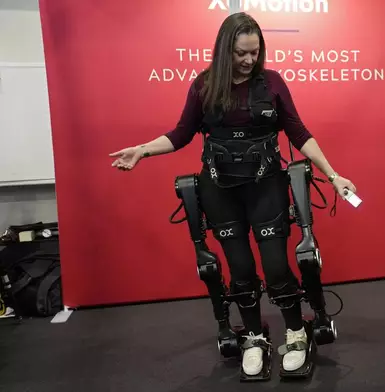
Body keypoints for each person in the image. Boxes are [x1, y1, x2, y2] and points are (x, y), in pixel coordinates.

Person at [109, 12, 356, 377]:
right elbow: (180, 134)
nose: (249, 60)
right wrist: (142, 150)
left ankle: (296, 332)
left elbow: (299, 133)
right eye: (242, 53)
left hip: (266, 186)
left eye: (255, 52)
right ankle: (254, 336)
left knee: (275, 267)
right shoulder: (204, 85)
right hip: (220, 189)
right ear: (225, 50)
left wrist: (334, 175)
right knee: (240, 270)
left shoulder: (271, 83)